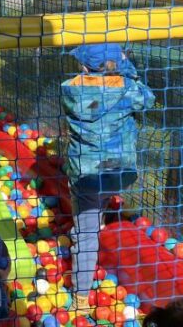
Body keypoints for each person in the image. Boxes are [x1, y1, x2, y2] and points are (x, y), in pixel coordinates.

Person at [61, 43, 155, 312]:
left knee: (86, 234)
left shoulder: (70, 88)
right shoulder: (127, 87)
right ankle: (94, 221)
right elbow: (148, 99)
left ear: (84, 66)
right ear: (117, 62)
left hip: (86, 174)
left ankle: (80, 298)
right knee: (99, 197)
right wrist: (126, 67)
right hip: (119, 173)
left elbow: (94, 99)